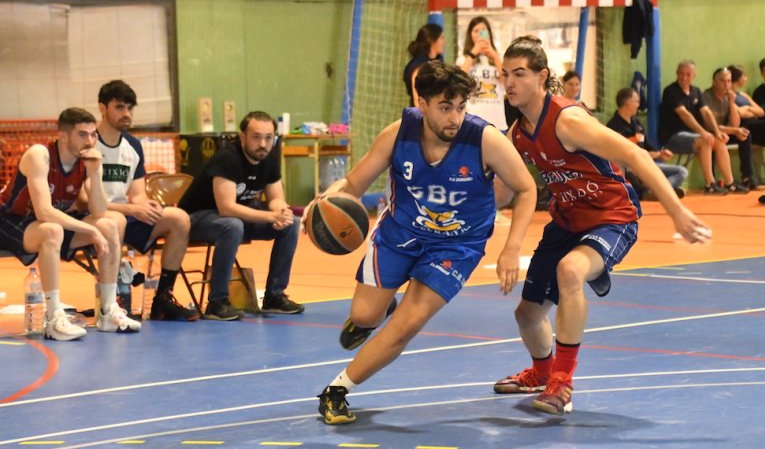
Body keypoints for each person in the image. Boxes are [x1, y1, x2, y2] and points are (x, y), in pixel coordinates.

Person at [495, 36, 710, 416]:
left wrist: (675, 211)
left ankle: (562, 383)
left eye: (519, 74)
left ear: (542, 77)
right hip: (567, 222)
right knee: (527, 316)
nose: (509, 82)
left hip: (612, 217)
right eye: (505, 74)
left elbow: (634, 153)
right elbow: (499, 193)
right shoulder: (516, 136)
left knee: (571, 270)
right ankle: (542, 373)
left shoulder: (568, 121)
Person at [315, 60, 537, 424]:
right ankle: (378, 309)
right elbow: (352, 185)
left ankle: (336, 391)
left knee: (407, 324)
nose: (455, 117)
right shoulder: (397, 134)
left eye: (462, 107)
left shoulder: (484, 139)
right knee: (363, 315)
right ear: (423, 103)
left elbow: (527, 188)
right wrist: (326, 200)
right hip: (399, 235)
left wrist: (511, 247)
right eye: (445, 107)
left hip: (456, 247)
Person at [0, 108, 140, 340]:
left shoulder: (86, 160)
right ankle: (54, 317)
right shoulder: (40, 155)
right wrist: (88, 229)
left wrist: (95, 172)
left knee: (110, 225)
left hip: (48, 222)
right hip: (10, 220)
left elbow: (98, 211)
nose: (91, 141)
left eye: (94, 134)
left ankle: (107, 311)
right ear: (63, 136)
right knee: (53, 230)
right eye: (83, 135)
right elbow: (44, 211)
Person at [178, 111, 303, 321]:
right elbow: (227, 208)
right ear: (243, 136)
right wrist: (271, 217)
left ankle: (274, 296)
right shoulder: (227, 158)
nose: (263, 144)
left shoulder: (269, 159)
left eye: (268, 138)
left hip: (232, 219)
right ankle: (217, 302)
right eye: (256, 137)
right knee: (232, 225)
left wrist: (281, 211)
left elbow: (275, 198)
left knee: (292, 225)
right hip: (196, 219)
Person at [93, 80, 197, 321]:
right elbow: (84, 202)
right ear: (102, 107)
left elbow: (137, 193)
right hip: (96, 217)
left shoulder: (133, 145)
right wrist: (131, 208)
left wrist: (145, 206)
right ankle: (114, 300)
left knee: (179, 219)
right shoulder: (90, 142)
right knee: (116, 220)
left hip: (124, 214)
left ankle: (163, 299)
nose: (126, 114)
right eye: (119, 107)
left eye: (130, 108)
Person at [658, 60, 739, 194]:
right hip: (673, 137)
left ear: (694, 75)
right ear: (676, 74)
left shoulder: (696, 91)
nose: (684, 77)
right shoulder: (671, 91)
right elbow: (684, 115)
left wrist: (717, 132)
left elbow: (706, 112)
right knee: (705, 140)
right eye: (681, 74)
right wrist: (703, 132)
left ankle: (730, 183)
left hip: (693, 136)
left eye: (688, 74)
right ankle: (710, 184)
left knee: (719, 142)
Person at [606, 88, 688, 199]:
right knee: (629, 171)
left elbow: (649, 148)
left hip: (647, 164)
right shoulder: (613, 126)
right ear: (628, 103)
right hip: (630, 167)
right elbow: (623, 156)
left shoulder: (637, 123)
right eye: (636, 101)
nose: (638, 105)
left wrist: (661, 153)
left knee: (681, 172)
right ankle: (659, 192)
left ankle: (657, 192)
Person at [702, 68, 753, 190]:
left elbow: (735, 124)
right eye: (722, 81)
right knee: (716, 138)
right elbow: (711, 126)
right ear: (714, 82)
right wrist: (735, 131)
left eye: (729, 81)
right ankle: (713, 181)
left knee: (745, 135)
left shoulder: (728, 97)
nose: (726, 85)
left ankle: (747, 177)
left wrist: (731, 103)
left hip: (722, 133)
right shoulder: (706, 97)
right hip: (707, 133)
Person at [457, 16, 506, 130]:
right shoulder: (463, 58)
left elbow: (506, 81)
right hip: (473, 120)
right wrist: (474, 53)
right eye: (476, 31)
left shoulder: (498, 58)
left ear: (489, 33)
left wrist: (495, 57)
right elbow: (458, 79)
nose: (480, 34)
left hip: (497, 121)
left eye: (483, 30)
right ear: (470, 35)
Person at [403, 23, 445, 108]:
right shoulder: (420, 67)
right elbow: (418, 100)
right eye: (441, 38)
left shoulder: (437, 62)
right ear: (432, 41)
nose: (444, 41)